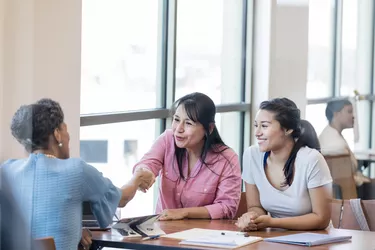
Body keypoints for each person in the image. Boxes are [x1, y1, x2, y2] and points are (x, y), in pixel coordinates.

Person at [1, 98, 154, 250]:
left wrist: (74, 231)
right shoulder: (76, 169)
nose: (68, 135)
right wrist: (137, 178)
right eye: (65, 128)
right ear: (57, 134)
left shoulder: (7, 170)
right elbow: (122, 198)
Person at [132, 92, 242, 220]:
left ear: (209, 128)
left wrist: (185, 212)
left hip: (204, 234)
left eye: (188, 123)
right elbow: (148, 163)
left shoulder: (227, 158)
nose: (179, 128)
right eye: (176, 120)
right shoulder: (168, 140)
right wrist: (144, 173)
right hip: (163, 231)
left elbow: (227, 207)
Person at [236, 98, 332, 231]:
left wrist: (273, 222)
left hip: (315, 240)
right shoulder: (252, 155)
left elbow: (321, 219)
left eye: (264, 126)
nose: (257, 133)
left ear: (287, 129)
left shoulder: (312, 160)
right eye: (255, 125)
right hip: (274, 239)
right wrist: (252, 217)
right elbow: (255, 207)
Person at [319, 99, 370, 186]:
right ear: (336, 114)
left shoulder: (331, 134)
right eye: (349, 112)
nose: (353, 116)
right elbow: (344, 177)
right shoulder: (335, 144)